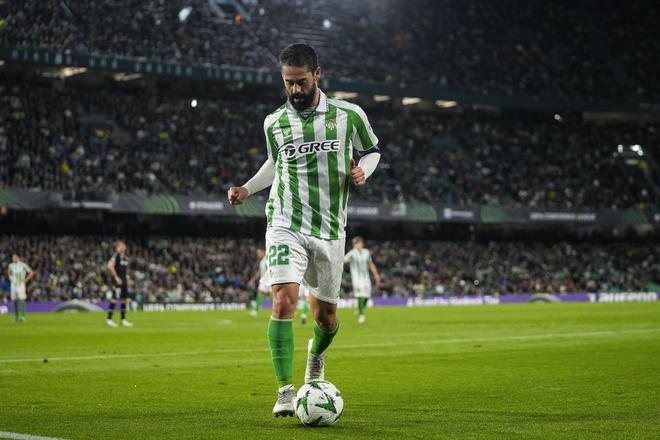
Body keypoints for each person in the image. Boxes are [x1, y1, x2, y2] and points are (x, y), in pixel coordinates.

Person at [227, 43, 381, 417]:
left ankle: (315, 357)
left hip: (330, 230)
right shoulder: (274, 122)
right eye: (288, 83)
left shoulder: (349, 115)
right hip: (285, 222)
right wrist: (247, 188)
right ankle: (285, 392)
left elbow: (372, 151)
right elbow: (274, 163)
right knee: (282, 300)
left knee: (326, 319)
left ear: (317, 75)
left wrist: (364, 170)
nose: (294, 90)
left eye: (301, 82)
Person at [344, 236, 381, 324]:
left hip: (366, 277)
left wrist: (376, 274)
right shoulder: (351, 253)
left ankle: (359, 309)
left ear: (361, 243)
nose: (357, 245)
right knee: (360, 295)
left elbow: (370, 263)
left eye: (358, 243)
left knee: (367, 296)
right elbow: (343, 261)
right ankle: (361, 315)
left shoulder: (366, 252)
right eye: (355, 243)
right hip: (356, 278)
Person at [106, 240, 133, 327]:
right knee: (114, 299)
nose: (123, 247)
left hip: (124, 281)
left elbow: (125, 270)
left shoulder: (126, 258)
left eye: (124, 245)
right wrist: (116, 277)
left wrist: (127, 278)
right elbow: (109, 266)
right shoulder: (116, 256)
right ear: (118, 247)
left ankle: (123, 320)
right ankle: (109, 319)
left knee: (125, 300)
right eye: (121, 245)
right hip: (117, 281)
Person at [8, 253, 34, 322]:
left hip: (20, 284)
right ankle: (16, 317)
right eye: (13, 257)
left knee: (22, 299)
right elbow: (9, 272)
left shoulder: (23, 265)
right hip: (13, 284)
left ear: (18, 258)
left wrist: (26, 280)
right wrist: (10, 278)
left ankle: (23, 317)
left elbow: (31, 272)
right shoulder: (10, 265)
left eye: (15, 257)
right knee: (14, 300)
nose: (13, 259)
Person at [248, 249, 272, 317]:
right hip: (264, 281)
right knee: (261, 294)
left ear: (263, 252)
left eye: (259, 253)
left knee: (271, 296)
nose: (258, 255)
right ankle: (255, 311)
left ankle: (275, 312)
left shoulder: (267, 260)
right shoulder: (262, 261)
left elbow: (271, 269)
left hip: (269, 280)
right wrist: (253, 279)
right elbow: (260, 272)